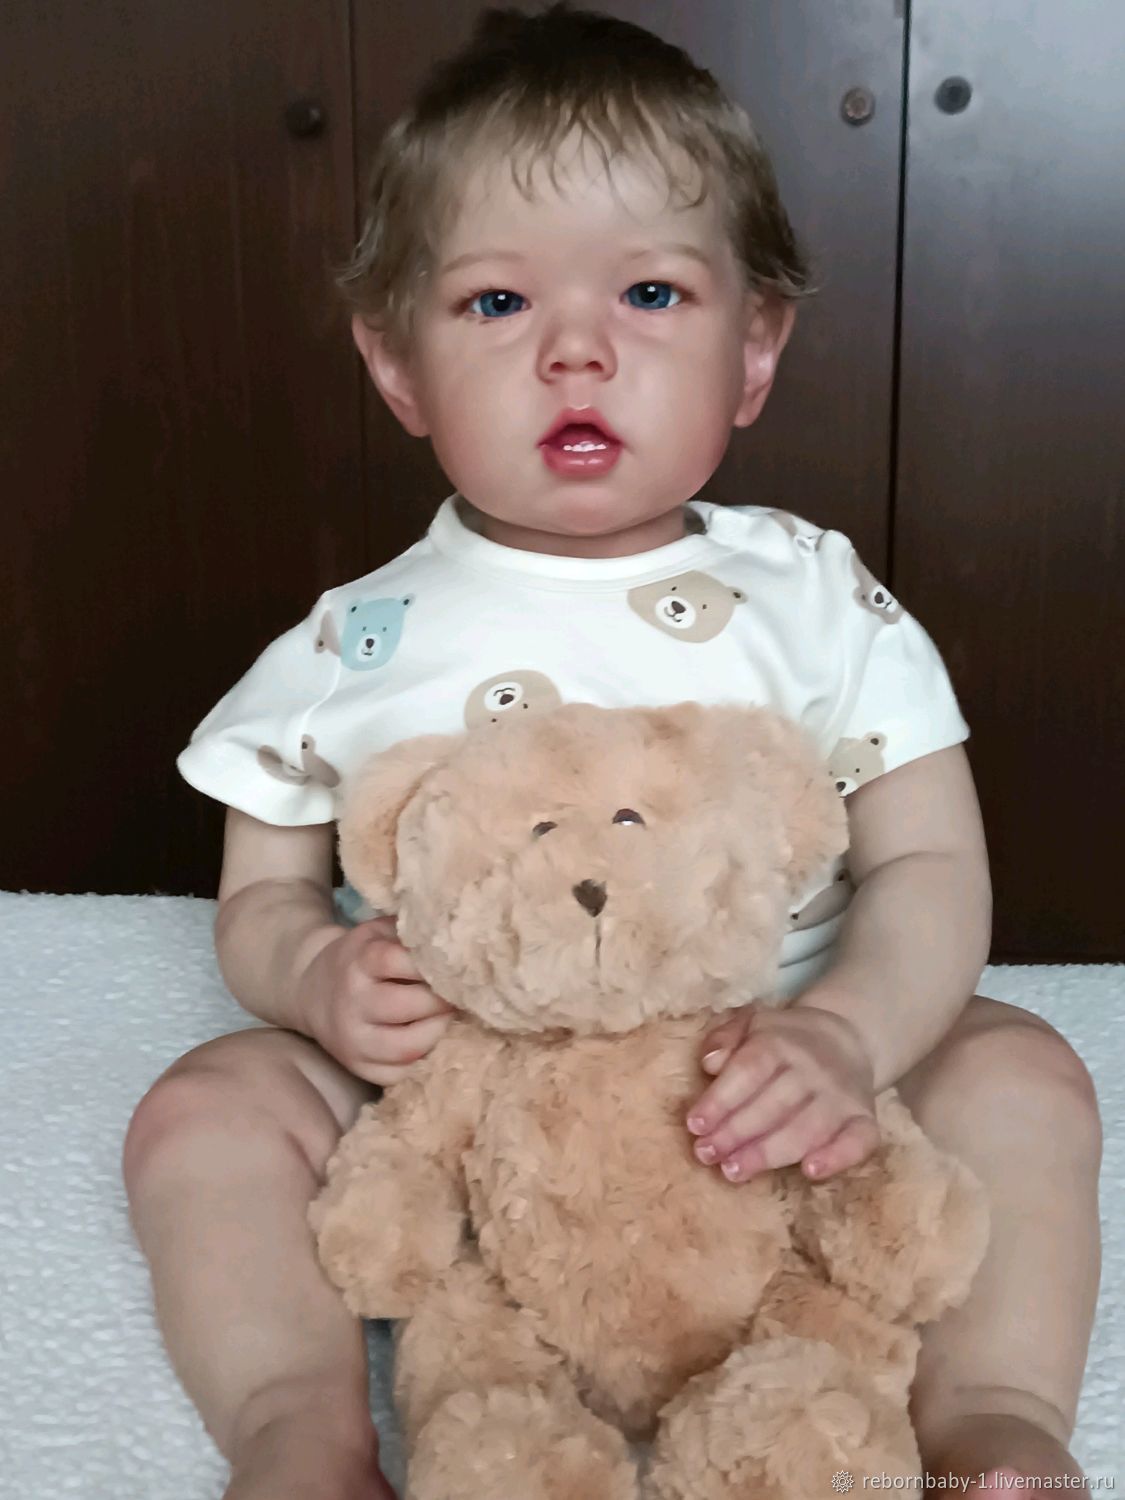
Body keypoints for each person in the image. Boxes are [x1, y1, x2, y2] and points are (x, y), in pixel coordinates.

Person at [121, 6, 1102, 1497]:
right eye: (496, 303)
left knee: (1022, 1074)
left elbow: (927, 864)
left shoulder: (814, 597)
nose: (575, 350)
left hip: (781, 1093)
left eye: (650, 292)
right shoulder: (357, 638)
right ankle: (297, 1430)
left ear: (752, 350)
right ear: (397, 366)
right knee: (203, 1112)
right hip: (475, 1112)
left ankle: (995, 1417)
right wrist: (312, 977)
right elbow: (261, 890)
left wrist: (848, 1036)